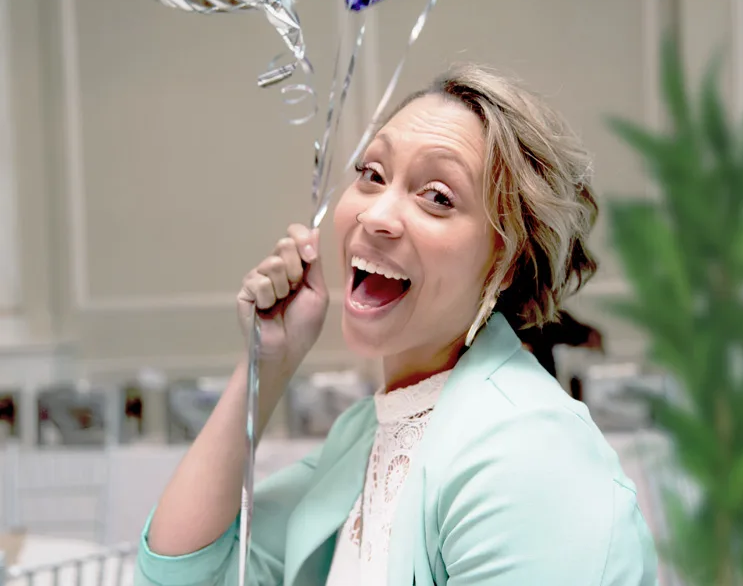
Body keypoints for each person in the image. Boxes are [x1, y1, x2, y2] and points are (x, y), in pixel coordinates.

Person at [135, 64, 658, 585]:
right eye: (372, 174)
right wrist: (266, 364)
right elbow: (181, 575)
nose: (376, 215)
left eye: (437, 196)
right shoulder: (365, 436)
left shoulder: (528, 456)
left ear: (507, 262)